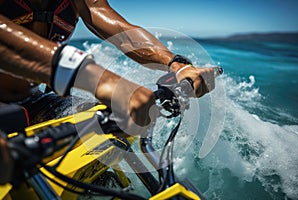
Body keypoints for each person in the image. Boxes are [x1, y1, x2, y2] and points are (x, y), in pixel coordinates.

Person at [0, 0, 217, 184]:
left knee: (112, 126)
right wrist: (102, 81)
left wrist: (176, 64)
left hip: (34, 100)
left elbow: (117, 27)